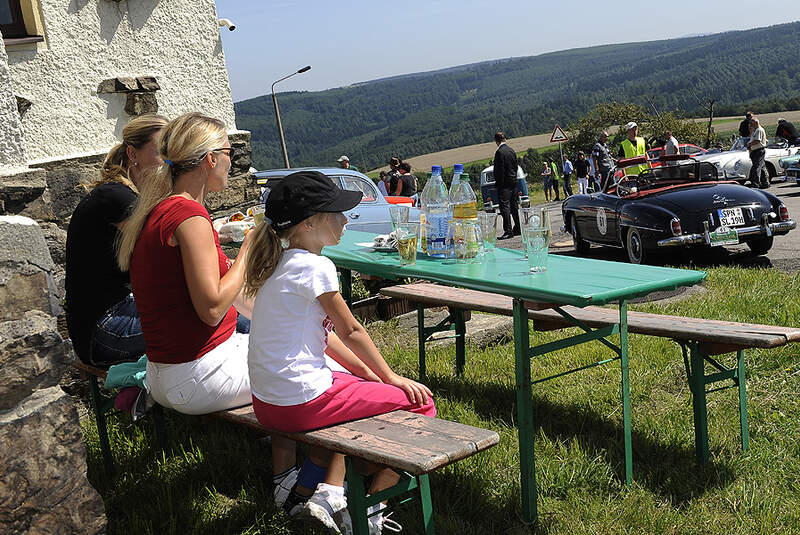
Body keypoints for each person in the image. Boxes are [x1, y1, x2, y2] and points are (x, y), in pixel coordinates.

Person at [244, 170, 435, 532]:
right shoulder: (317, 266)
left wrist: (366, 373)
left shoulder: (276, 265)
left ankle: (313, 492)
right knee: (420, 401)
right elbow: (351, 330)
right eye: (337, 213)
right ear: (309, 223)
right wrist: (391, 377)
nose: (345, 219)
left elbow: (324, 337)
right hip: (301, 403)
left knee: (351, 393)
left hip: (268, 403)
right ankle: (367, 511)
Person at [117, 112, 255, 415]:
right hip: (201, 373)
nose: (232, 162)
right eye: (229, 152)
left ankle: (285, 456)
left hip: (169, 372)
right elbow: (212, 309)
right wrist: (248, 250)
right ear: (211, 158)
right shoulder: (189, 216)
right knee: (320, 367)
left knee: (292, 351)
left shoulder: (160, 209)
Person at [65, 114, 168, 367]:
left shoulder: (122, 193)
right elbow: (166, 255)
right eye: (161, 152)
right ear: (133, 154)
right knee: (223, 322)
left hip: (116, 316)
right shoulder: (117, 198)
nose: (169, 162)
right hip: (104, 329)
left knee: (227, 317)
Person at [493, 132, 521, 239]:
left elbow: (499, 170)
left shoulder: (499, 152)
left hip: (504, 183)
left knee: (504, 206)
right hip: (514, 181)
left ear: (496, 141)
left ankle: (508, 230)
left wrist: (499, 183)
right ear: (505, 139)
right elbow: (515, 166)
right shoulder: (511, 150)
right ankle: (518, 228)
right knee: (514, 206)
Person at [747, 116, 769, 189]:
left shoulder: (758, 130)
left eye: (751, 123)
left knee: (756, 168)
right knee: (762, 167)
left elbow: (757, 140)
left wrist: (749, 144)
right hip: (757, 150)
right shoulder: (755, 130)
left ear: (756, 123)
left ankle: (756, 184)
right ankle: (765, 183)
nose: (750, 125)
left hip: (758, 150)